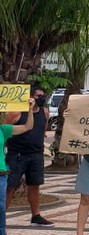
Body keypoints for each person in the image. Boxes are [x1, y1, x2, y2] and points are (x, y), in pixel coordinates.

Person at [4, 88, 54, 226]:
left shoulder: (44, 112)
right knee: (10, 186)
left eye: (43, 95)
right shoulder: (17, 113)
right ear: (31, 96)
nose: (41, 98)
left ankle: (36, 215)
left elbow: (42, 130)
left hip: (36, 154)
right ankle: (2, 216)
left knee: (35, 184)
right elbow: (3, 131)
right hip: (17, 154)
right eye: (38, 95)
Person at [0, 98, 36, 235]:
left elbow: (28, 126)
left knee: (1, 208)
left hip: (1, 175)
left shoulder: (3, 129)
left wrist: (30, 110)